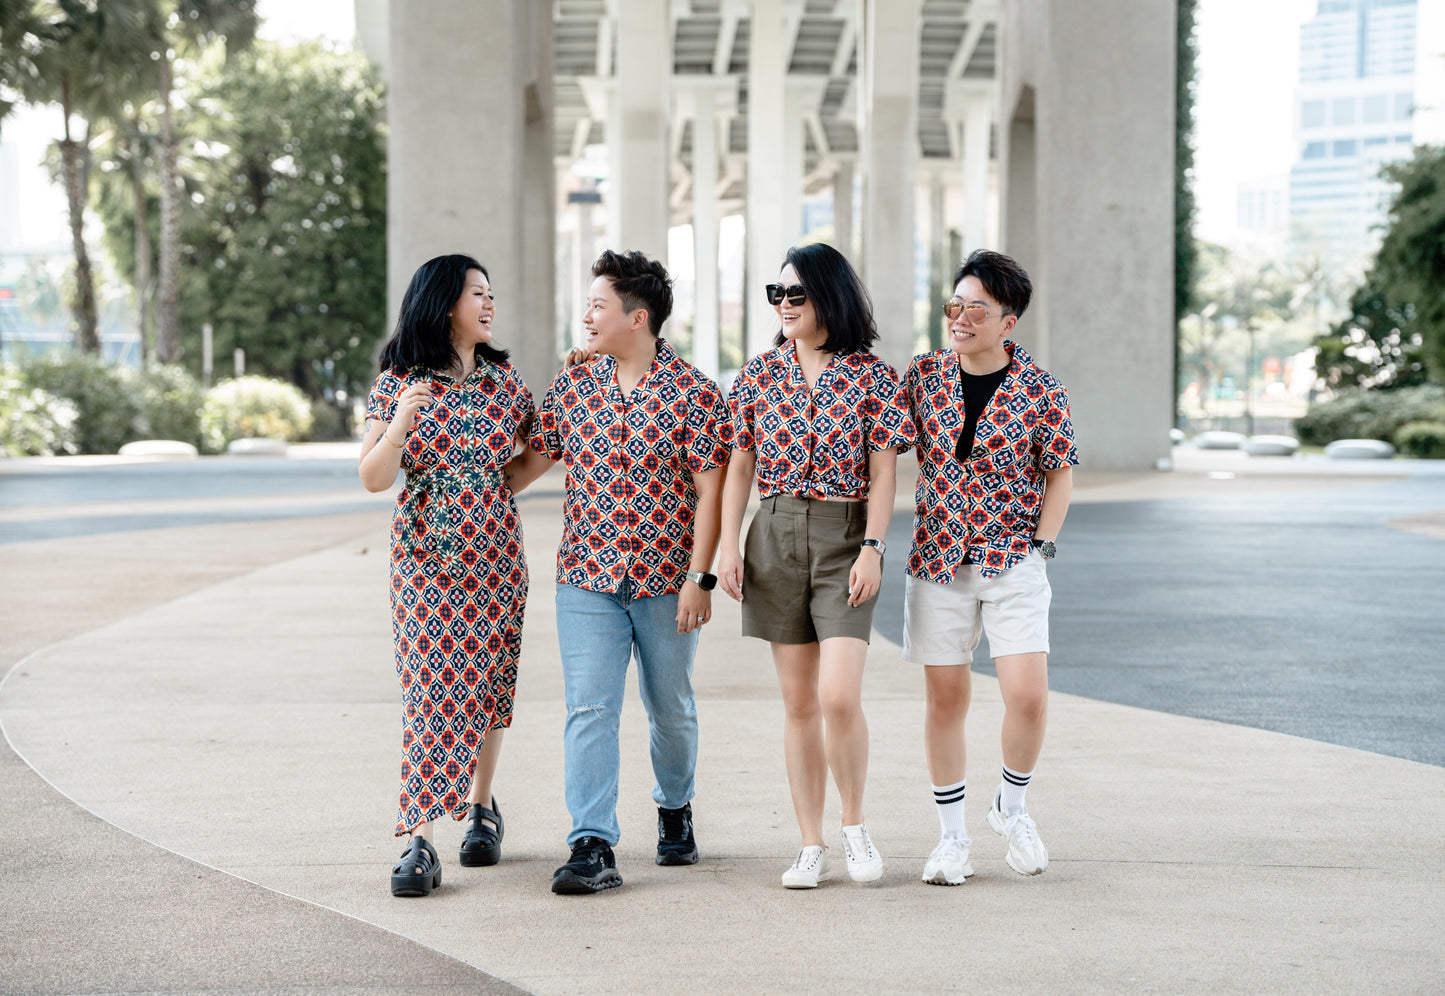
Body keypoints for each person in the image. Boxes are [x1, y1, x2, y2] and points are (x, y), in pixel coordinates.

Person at [506, 249, 731, 894]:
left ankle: (674, 808)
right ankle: (592, 842)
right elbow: (532, 461)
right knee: (590, 708)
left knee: (671, 708)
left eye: (598, 304)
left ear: (639, 317)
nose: (587, 315)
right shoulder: (574, 386)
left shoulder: (695, 394)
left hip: (668, 583)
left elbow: (711, 493)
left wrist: (701, 577)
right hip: (585, 578)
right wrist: (462, 486)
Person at [717, 242, 914, 889]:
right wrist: (726, 546)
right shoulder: (756, 375)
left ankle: (854, 827)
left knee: (837, 695)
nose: (783, 305)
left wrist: (873, 548)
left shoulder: (871, 376)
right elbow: (738, 466)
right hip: (772, 533)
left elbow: (885, 471)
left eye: (794, 294)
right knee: (798, 703)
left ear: (828, 296)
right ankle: (810, 843)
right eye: (776, 295)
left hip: (844, 536)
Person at [901, 249, 1078, 884]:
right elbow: (862, 409)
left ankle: (1012, 805)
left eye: (978, 307)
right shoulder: (922, 378)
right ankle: (952, 840)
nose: (962, 317)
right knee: (946, 697)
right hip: (938, 560)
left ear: (1009, 321)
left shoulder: (1040, 389)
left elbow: (1059, 478)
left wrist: (1043, 547)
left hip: (1014, 560)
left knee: (1027, 697)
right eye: (956, 305)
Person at [359, 254, 533, 897]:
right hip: (425, 564)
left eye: (492, 294)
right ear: (443, 302)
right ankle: (420, 842)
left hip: (495, 558)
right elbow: (374, 477)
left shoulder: (505, 382)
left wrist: (492, 487)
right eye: (477, 294)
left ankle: (482, 810)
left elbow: (540, 446)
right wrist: (404, 417)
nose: (489, 304)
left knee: (486, 686)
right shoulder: (397, 381)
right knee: (429, 691)